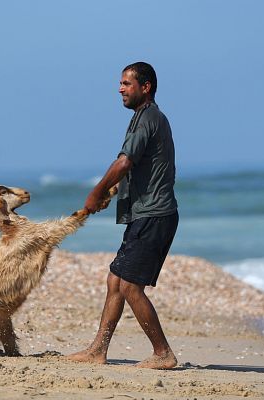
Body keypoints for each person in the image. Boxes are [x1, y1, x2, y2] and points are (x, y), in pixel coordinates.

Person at [67, 62, 179, 369]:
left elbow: (124, 163)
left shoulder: (148, 119)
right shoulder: (144, 118)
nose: (120, 89)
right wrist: (111, 192)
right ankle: (97, 350)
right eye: (120, 83)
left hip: (154, 216)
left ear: (146, 87)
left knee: (129, 286)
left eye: (127, 84)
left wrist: (96, 191)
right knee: (115, 280)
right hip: (146, 215)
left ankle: (163, 353)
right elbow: (139, 167)